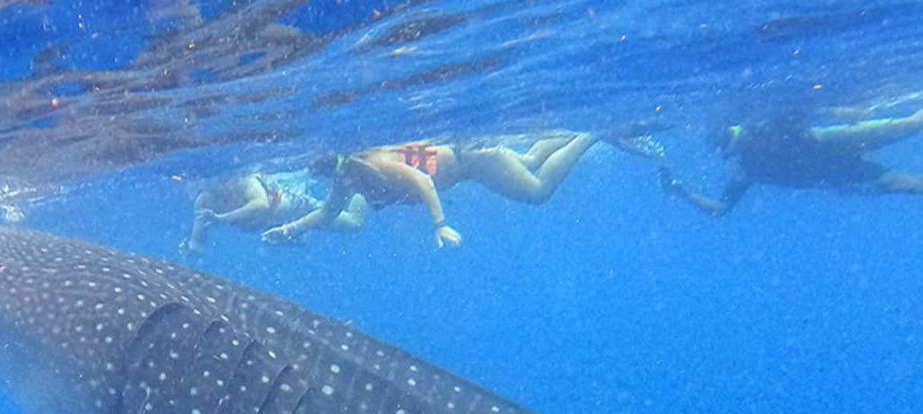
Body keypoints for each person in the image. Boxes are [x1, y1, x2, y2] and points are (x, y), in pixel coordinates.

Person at [262, 134, 600, 247]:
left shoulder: (377, 161)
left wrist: (440, 224)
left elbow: (421, 181)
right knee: (526, 159)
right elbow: (327, 213)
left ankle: (596, 133)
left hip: (475, 160)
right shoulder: (348, 178)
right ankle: (571, 133)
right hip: (474, 162)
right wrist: (290, 228)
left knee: (538, 191)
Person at [660, 108, 923, 216]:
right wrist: (679, 189)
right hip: (837, 166)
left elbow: (719, 208)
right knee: (905, 181)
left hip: (834, 153)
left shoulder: (750, 157)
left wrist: (842, 111)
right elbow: (719, 208)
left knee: (911, 128)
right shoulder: (747, 168)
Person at [183, 172, 369, 252]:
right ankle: (297, 237)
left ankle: (361, 185)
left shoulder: (244, 180)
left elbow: (261, 204)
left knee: (354, 223)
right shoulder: (203, 200)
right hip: (274, 223)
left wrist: (222, 218)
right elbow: (197, 243)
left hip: (298, 207)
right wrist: (190, 251)